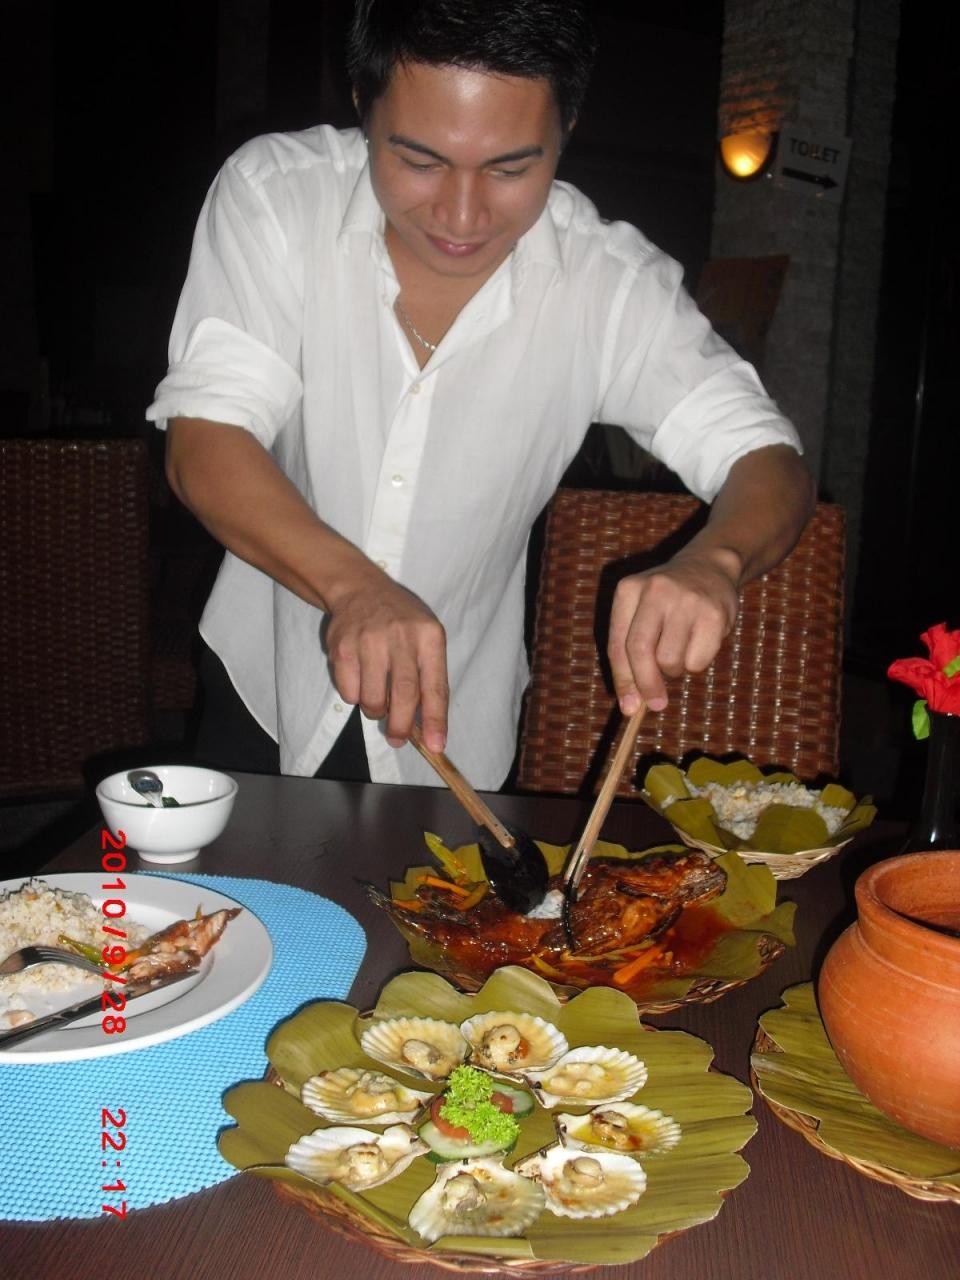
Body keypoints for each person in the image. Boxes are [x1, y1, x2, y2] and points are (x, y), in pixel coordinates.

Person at [147, 0, 814, 789]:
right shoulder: (279, 197)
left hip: (453, 729)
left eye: (510, 169)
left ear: (566, 128)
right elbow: (205, 439)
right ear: (364, 105)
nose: (461, 215)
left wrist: (717, 560)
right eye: (419, 160)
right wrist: (354, 588)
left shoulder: (606, 283)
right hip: (267, 681)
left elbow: (767, 458)